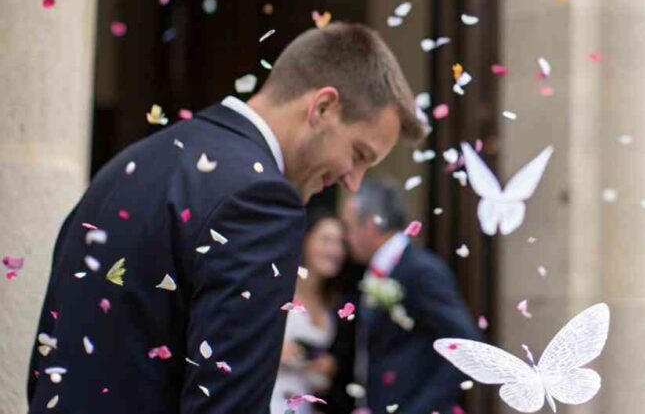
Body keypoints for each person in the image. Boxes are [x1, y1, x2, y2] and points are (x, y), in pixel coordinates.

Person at [27, 23, 426, 413]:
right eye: (358, 154)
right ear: (322, 107)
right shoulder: (261, 202)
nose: (352, 182)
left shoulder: (123, 167)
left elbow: (45, 369)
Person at [341, 180, 481, 414]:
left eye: (348, 227)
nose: (345, 237)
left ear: (371, 224)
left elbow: (467, 347)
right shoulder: (378, 271)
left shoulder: (420, 270)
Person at [270, 215, 346, 414]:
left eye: (340, 242)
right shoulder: (280, 289)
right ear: (306, 241)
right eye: (326, 240)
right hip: (272, 401)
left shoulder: (332, 301)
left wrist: (324, 367)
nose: (335, 250)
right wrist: (274, 349)